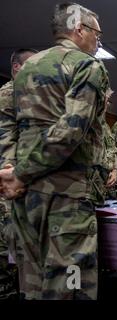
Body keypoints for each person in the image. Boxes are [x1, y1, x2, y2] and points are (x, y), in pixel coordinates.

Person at [0, 3, 109, 299]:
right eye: (97, 34)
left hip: (25, 202)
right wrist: (19, 174)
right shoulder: (87, 66)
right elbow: (72, 129)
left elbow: (6, 127)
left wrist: (10, 173)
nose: (99, 41)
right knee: (70, 285)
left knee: (31, 284)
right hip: (67, 200)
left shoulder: (24, 72)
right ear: (79, 29)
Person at [0, 48, 38, 299]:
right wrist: (12, 175)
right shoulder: (10, 93)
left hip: (15, 182)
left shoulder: (26, 94)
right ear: (17, 68)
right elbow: (6, 139)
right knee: (8, 245)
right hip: (7, 183)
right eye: (32, 66)